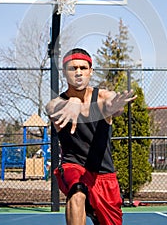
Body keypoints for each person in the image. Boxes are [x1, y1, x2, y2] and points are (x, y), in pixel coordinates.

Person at [46, 48, 136, 225]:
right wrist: (71, 103)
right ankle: (83, 200)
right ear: (64, 72)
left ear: (90, 71)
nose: (78, 73)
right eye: (73, 68)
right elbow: (53, 109)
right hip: (75, 166)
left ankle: (94, 209)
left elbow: (113, 107)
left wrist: (109, 107)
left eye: (83, 68)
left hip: (104, 176)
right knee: (77, 190)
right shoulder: (56, 103)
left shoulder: (104, 96)